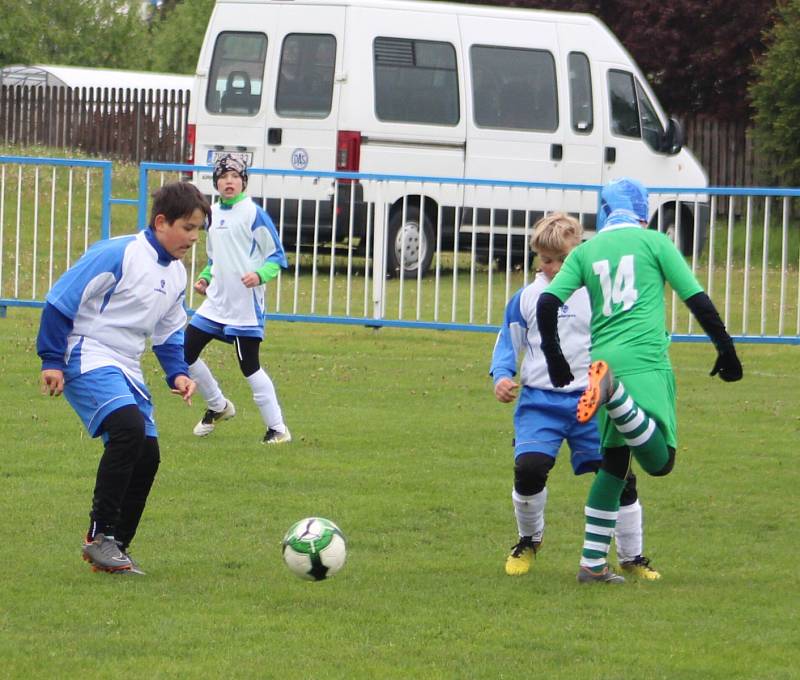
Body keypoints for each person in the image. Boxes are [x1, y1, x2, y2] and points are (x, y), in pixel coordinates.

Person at [537, 178, 743, 584]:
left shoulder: (586, 251)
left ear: (605, 211)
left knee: (613, 467)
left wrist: (556, 360)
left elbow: (547, 303)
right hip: (645, 362)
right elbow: (695, 298)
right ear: (642, 211)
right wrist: (726, 349)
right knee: (661, 462)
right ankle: (613, 394)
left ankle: (591, 565)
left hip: (604, 357)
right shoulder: (656, 243)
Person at [37, 182, 211, 575]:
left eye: (198, 230)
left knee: (147, 455)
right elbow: (61, 300)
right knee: (128, 430)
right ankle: (99, 538)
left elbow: (168, 335)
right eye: (187, 228)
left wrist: (179, 374)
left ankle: (115, 548)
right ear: (161, 222)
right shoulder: (119, 253)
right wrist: (51, 358)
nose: (193, 238)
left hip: (126, 363)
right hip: (87, 351)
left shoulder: (178, 275)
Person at [491, 213, 659, 580]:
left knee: (620, 477)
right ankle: (529, 540)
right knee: (529, 468)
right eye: (545, 260)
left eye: (559, 260)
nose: (550, 267)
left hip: (593, 403)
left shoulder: (598, 296)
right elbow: (508, 341)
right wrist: (502, 376)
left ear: (578, 254)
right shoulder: (529, 298)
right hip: (540, 403)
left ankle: (632, 556)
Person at [185, 154, 291, 444]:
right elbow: (213, 257)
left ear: (243, 181)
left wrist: (259, 275)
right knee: (185, 351)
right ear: (216, 181)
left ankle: (278, 429)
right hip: (217, 303)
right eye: (223, 176)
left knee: (249, 366)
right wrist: (206, 277)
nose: (228, 181)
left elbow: (276, 257)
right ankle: (218, 406)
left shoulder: (253, 213)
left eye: (234, 176)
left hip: (245, 306)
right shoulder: (212, 214)